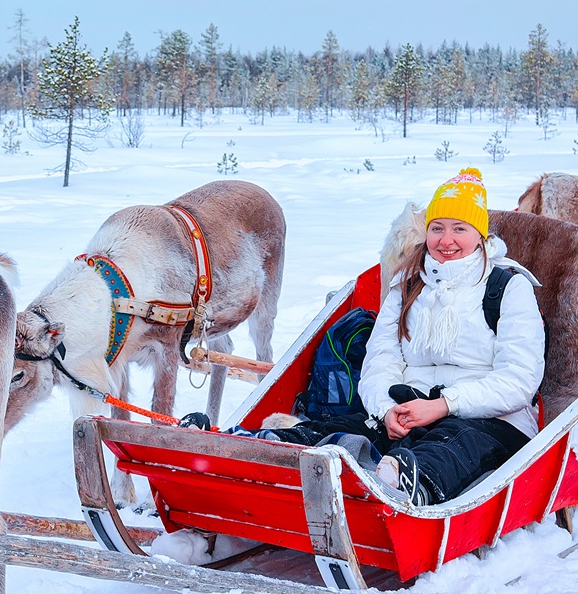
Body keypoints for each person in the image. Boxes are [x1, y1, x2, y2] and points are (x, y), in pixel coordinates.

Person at [196, 168, 545, 505]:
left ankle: (402, 484)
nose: (446, 240)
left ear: (480, 234)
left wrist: (442, 406)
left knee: (454, 444)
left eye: (460, 228)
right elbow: (380, 359)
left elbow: (520, 379)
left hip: (489, 420)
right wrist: (386, 409)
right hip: (409, 410)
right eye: (437, 228)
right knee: (341, 427)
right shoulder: (408, 284)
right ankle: (260, 450)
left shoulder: (508, 288)